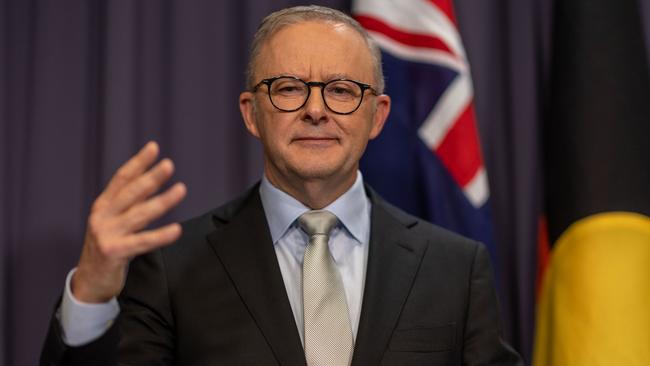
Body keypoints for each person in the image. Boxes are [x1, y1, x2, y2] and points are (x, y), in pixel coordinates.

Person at [41, 5, 521, 366]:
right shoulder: (172, 269)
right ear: (252, 113)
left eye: (341, 90)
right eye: (289, 88)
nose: (316, 110)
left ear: (378, 117)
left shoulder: (456, 268)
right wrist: (91, 295)